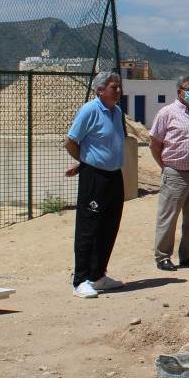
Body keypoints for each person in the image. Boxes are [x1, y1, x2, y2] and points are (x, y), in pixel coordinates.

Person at [64, 71, 127, 298]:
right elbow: (71, 141)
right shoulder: (89, 110)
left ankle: (98, 276)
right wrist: (84, 163)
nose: (118, 91)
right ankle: (80, 280)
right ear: (100, 90)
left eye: (119, 87)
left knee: (109, 226)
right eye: (113, 87)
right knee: (88, 228)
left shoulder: (117, 111)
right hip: (94, 177)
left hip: (114, 176)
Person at [149, 76, 189, 272]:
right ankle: (163, 256)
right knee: (168, 217)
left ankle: (188, 254)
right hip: (175, 173)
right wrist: (164, 166)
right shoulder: (167, 113)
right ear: (179, 91)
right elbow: (154, 143)